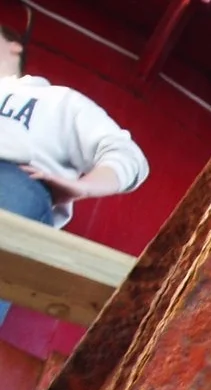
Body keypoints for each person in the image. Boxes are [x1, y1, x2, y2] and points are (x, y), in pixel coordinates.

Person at [0, 19, 149, 325]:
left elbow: (127, 155)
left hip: (11, 181)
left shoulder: (57, 100)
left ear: (15, 45)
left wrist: (84, 186)